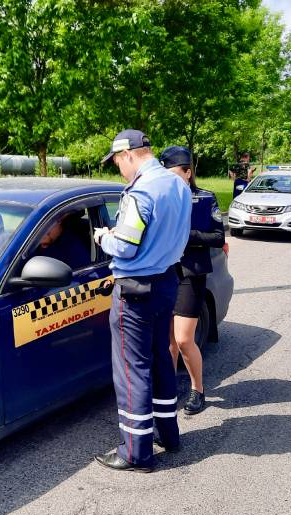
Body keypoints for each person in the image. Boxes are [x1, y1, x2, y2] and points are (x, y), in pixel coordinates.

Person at [93, 129, 191, 472]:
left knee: (132, 369)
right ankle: (169, 433)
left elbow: (125, 246)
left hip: (135, 288)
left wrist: (105, 236)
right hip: (166, 281)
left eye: (117, 162)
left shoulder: (140, 192)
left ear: (128, 155)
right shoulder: (177, 184)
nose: (118, 169)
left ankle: (135, 452)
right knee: (161, 358)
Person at [159, 145, 225, 415]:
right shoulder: (161, 199)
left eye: (175, 174)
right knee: (168, 341)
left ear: (188, 172)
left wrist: (188, 237)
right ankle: (167, 388)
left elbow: (218, 237)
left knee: (184, 339)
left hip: (190, 273)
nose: (170, 180)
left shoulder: (205, 199)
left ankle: (198, 390)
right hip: (164, 274)